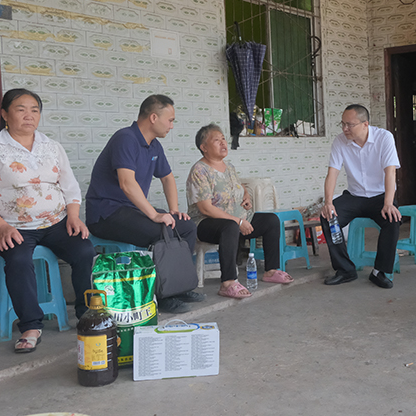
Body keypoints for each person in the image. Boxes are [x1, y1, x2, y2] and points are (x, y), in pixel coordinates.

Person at [0, 88, 96, 354]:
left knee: (84, 250)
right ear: (5, 114)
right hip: (12, 226)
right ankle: (31, 326)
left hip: (55, 222)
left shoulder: (52, 147)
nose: (29, 115)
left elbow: (70, 187)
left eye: (34, 110)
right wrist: (1, 227)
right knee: (18, 259)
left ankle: (86, 313)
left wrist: (73, 216)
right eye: (21, 109)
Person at [86, 94, 203, 314]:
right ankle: (163, 295)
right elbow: (126, 183)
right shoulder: (125, 138)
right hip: (106, 213)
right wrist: (154, 214)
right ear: (153, 117)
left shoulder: (154, 146)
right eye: (170, 120)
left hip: (131, 211)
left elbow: (167, 178)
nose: (172, 126)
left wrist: (174, 210)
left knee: (186, 227)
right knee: (160, 230)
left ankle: (179, 287)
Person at [186, 124, 293, 299]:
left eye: (223, 139)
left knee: (271, 220)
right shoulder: (200, 170)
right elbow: (205, 208)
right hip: (205, 224)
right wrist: (238, 222)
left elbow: (238, 185)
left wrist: (246, 196)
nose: (223, 143)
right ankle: (228, 283)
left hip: (237, 220)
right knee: (230, 227)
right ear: (203, 147)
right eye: (216, 140)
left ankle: (271, 270)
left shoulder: (229, 167)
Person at [320, 104, 401, 289]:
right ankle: (345, 270)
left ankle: (380, 271)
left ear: (365, 124)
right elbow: (332, 173)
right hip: (354, 196)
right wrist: (328, 202)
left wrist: (388, 203)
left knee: (392, 219)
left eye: (350, 125)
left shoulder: (384, 138)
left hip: (380, 196)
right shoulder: (340, 141)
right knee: (328, 217)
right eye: (342, 124)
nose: (345, 129)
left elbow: (390, 172)